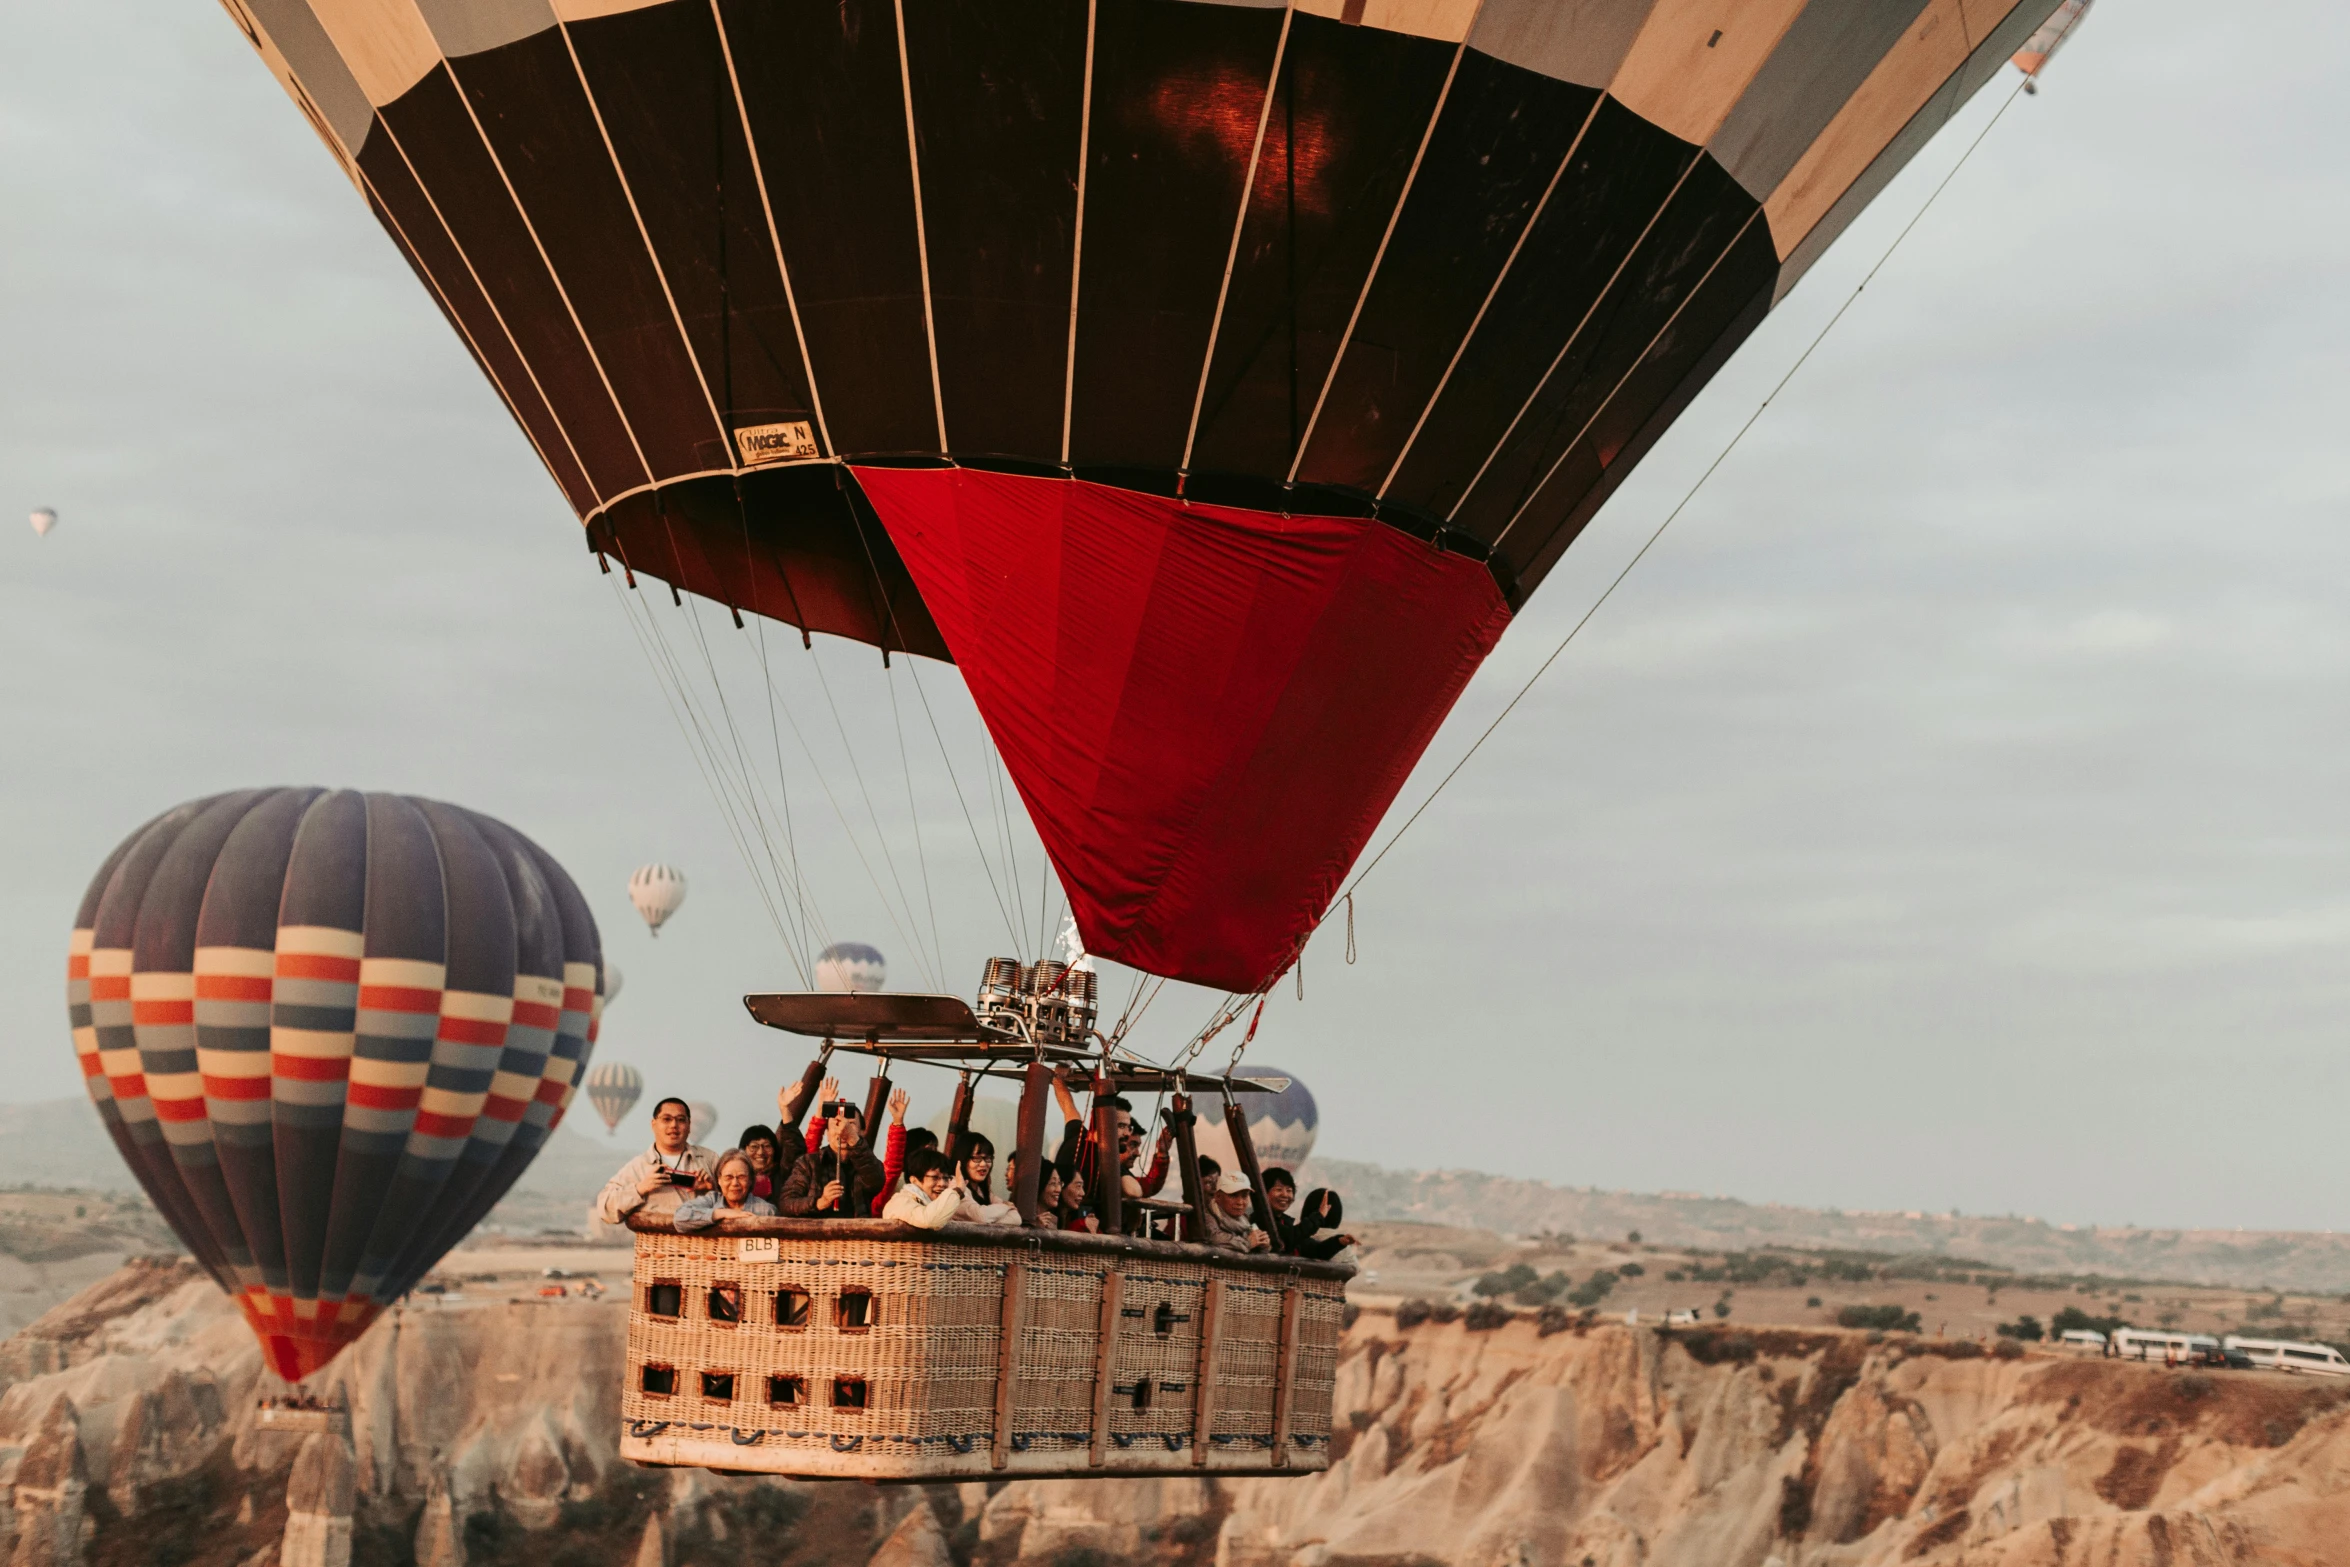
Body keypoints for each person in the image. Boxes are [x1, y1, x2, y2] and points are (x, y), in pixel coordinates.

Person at [594, 1097, 715, 1224]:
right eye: (666, 1119)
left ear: (689, 1125)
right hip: (656, 1242)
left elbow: (733, 1207)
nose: (674, 1125)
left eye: (680, 1120)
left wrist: (709, 1190)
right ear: (654, 1124)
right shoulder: (638, 1167)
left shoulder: (709, 1160)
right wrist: (640, 1189)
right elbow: (605, 1209)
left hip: (701, 1242)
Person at [779, 1093, 885, 1218]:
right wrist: (819, 1202)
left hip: (856, 1234)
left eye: (850, 1124)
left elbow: (876, 1182)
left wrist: (852, 1138)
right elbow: (786, 1204)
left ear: (861, 1131)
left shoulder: (868, 1163)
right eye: (836, 1124)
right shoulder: (808, 1163)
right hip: (817, 1234)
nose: (842, 1129)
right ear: (827, 1133)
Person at [674, 1148, 780, 1230]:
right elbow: (680, 1217)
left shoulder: (767, 1210)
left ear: (751, 1180)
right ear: (719, 1179)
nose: (735, 1183)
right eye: (728, 1177)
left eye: (741, 1177)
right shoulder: (712, 1200)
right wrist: (721, 1213)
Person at [1262, 1168, 1356, 1260]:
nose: (1285, 1195)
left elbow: (1316, 1251)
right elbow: (1288, 1238)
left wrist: (1339, 1242)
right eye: (1278, 1190)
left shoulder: (1285, 1224)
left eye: (1289, 1190)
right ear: (1263, 1193)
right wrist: (1319, 1216)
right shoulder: (1261, 1221)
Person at [880, 1148, 965, 1229]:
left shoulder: (935, 1204)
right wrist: (958, 1191)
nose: (942, 1184)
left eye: (946, 1178)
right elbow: (929, 1221)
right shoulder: (900, 1201)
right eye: (934, 1177)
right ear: (914, 1180)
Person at [1201, 1169, 1270, 1252]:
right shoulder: (1207, 1216)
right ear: (1218, 1196)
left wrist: (1263, 1245)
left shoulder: (1245, 1220)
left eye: (1244, 1196)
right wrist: (1247, 1243)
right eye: (1233, 1195)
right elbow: (1214, 1238)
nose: (1240, 1202)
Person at [736, 1125, 782, 1201]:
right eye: (754, 1146)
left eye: (767, 1146)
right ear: (743, 1150)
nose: (760, 1152)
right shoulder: (734, 1178)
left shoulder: (784, 1177)